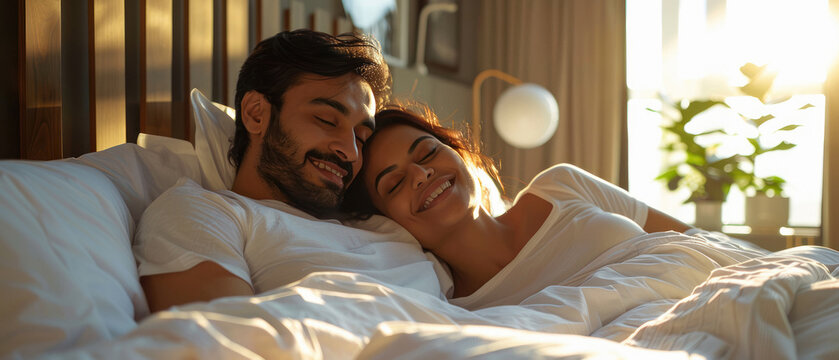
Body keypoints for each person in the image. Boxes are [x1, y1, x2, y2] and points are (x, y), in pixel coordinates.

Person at [134, 30, 446, 314]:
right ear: (256, 114)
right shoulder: (204, 213)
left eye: (361, 138)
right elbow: (221, 338)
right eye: (327, 120)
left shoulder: (388, 226)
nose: (351, 153)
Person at [344, 104, 721, 309]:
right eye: (394, 183)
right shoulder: (459, 310)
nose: (421, 174)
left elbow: (697, 241)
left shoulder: (562, 185)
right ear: (387, 221)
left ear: (458, 153)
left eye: (427, 152)